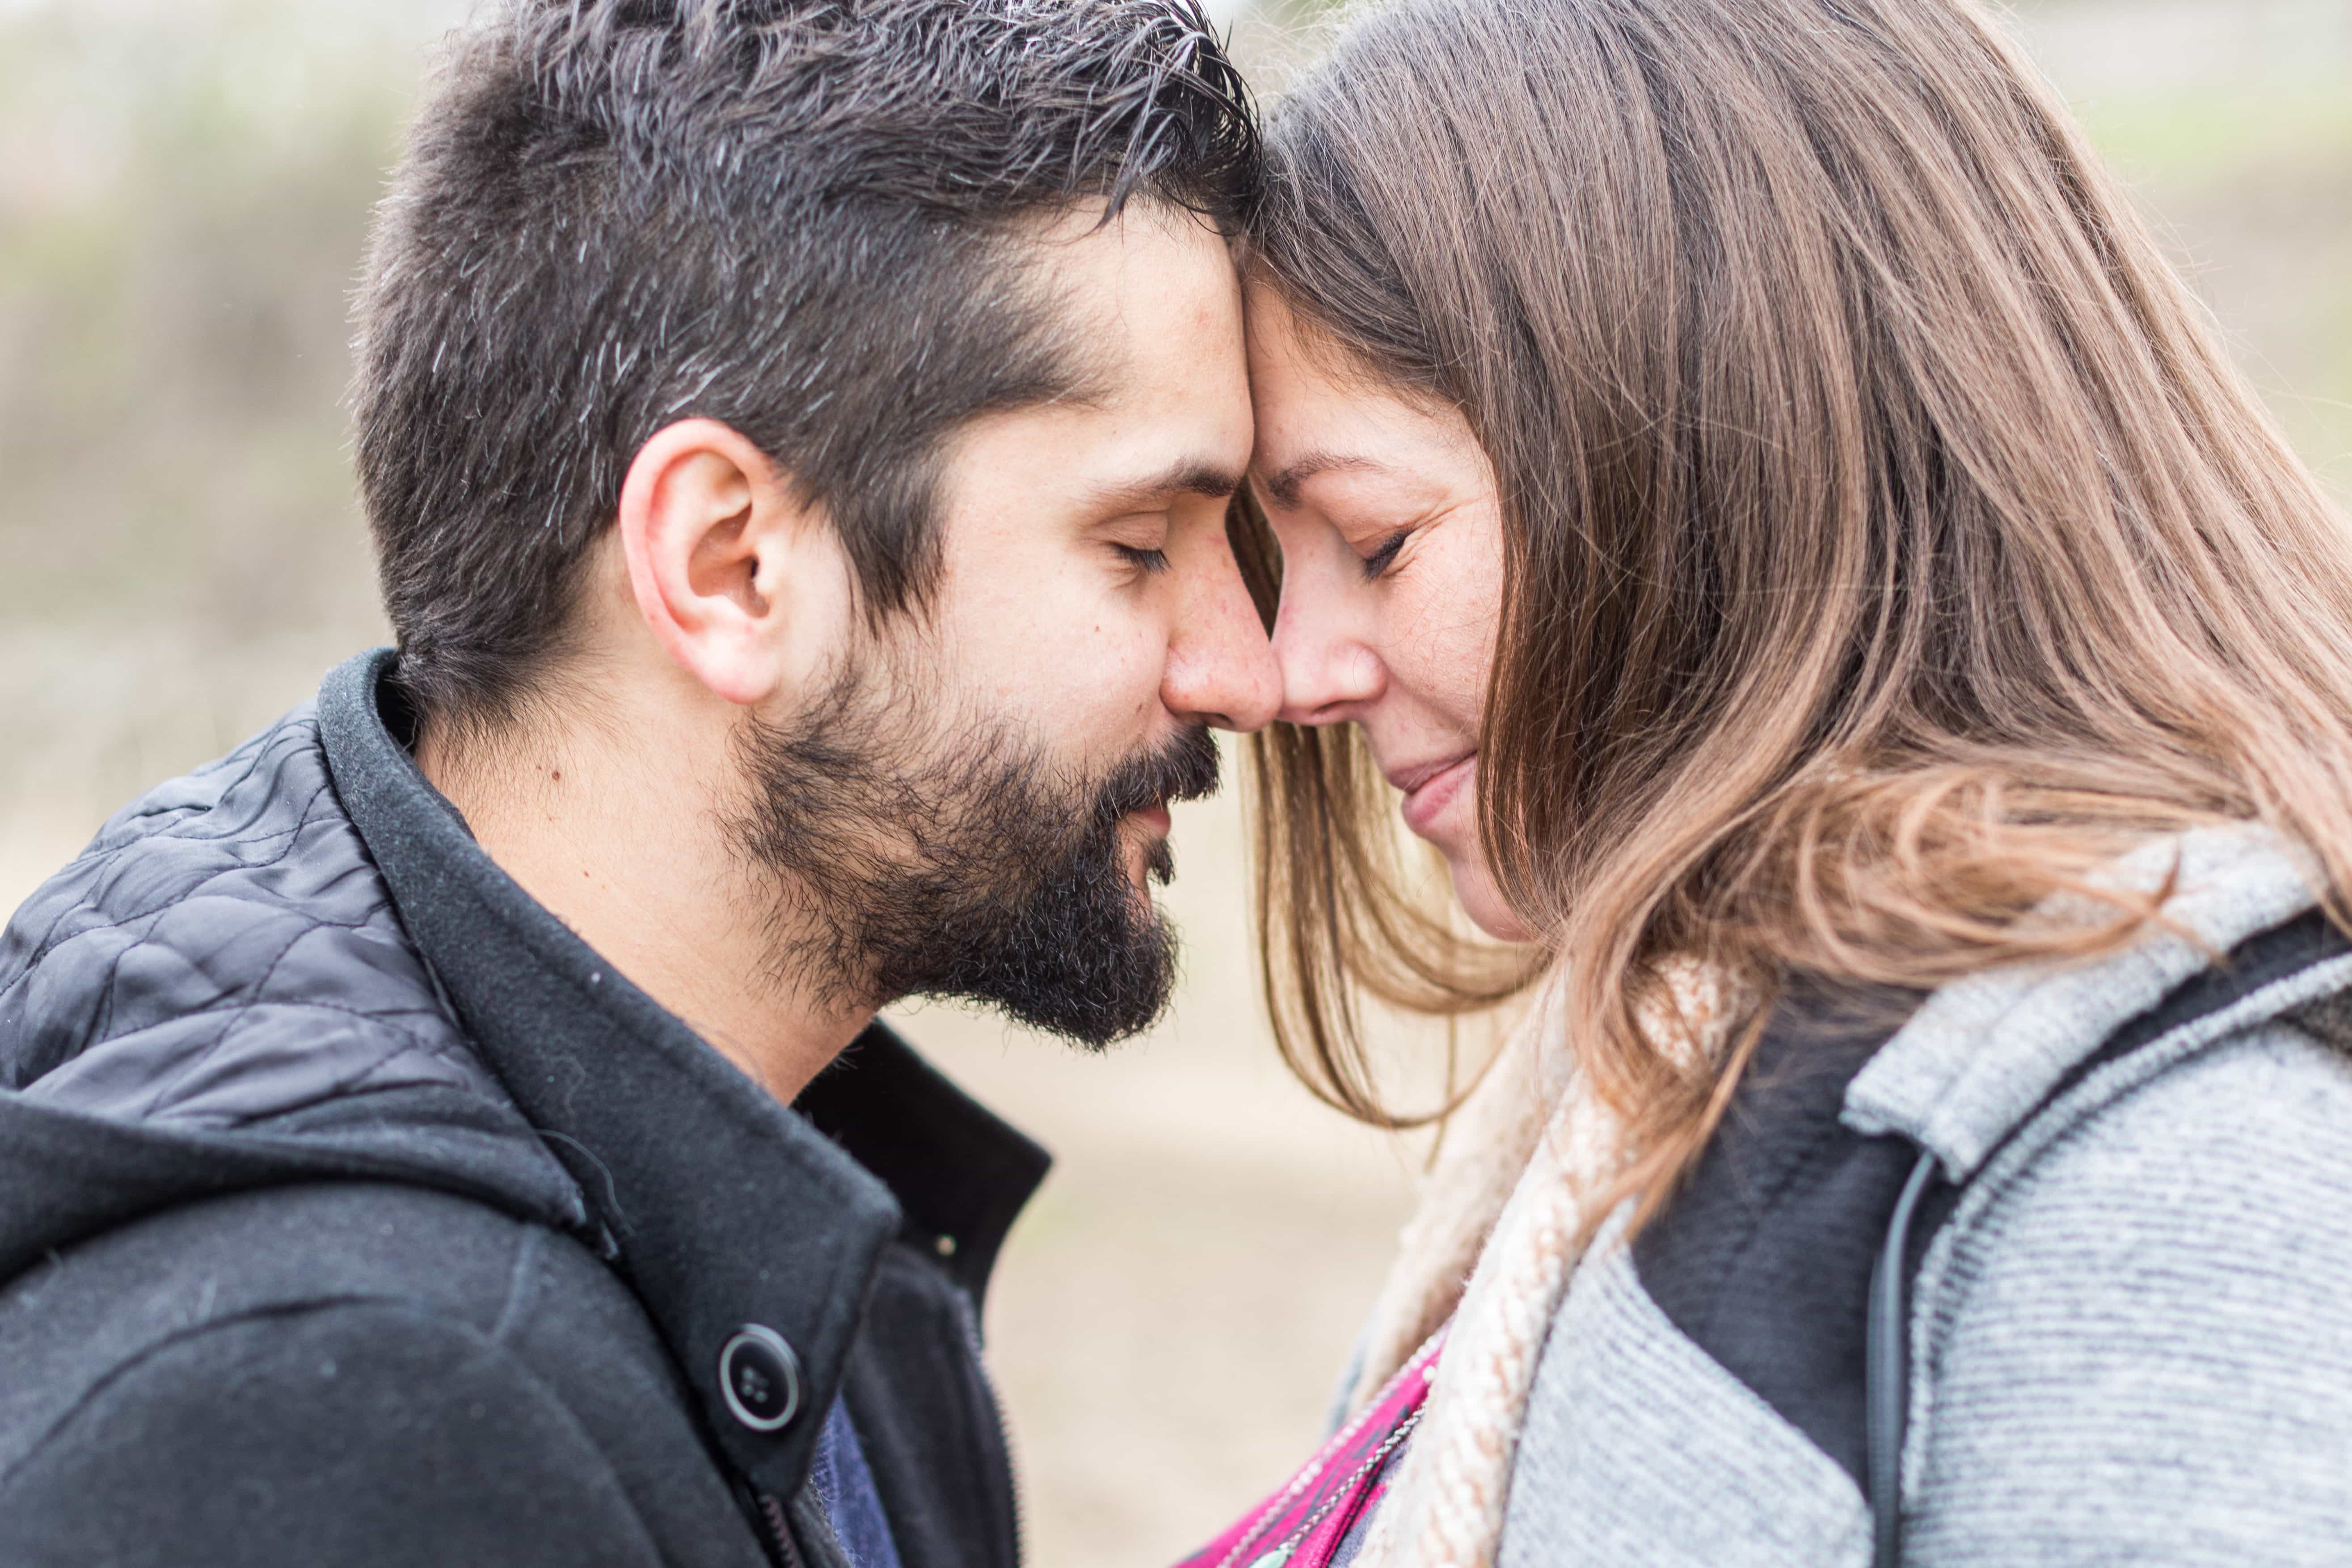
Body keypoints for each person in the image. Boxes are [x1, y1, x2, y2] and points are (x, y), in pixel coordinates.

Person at [0, 2, 1278, 1564]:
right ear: (729, 564)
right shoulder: (341, 1431)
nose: (1249, 667)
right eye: (1141, 545)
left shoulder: (789, 1224)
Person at [1191, 0, 2352, 1564]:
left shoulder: (2168, 1193)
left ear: (1694, 457)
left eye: (1378, 542)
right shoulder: (1659, 1095)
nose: (1291, 673)